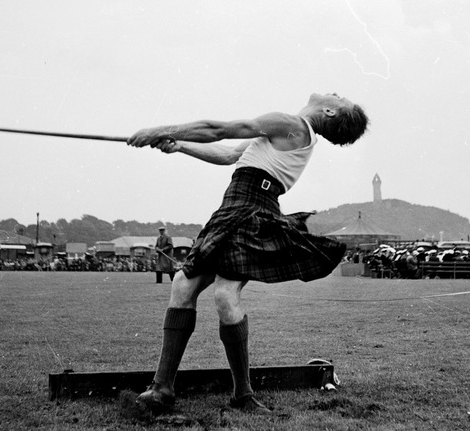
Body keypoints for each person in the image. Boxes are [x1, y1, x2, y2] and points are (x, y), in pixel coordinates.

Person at [126, 93, 368, 414]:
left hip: (252, 207)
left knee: (226, 295)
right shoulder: (283, 133)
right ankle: (162, 388)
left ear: (329, 110)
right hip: (235, 204)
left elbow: (219, 129)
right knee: (183, 285)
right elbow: (229, 154)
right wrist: (180, 145)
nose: (335, 92)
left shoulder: (291, 123)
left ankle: (243, 394)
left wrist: (157, 129)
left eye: (340, 98)